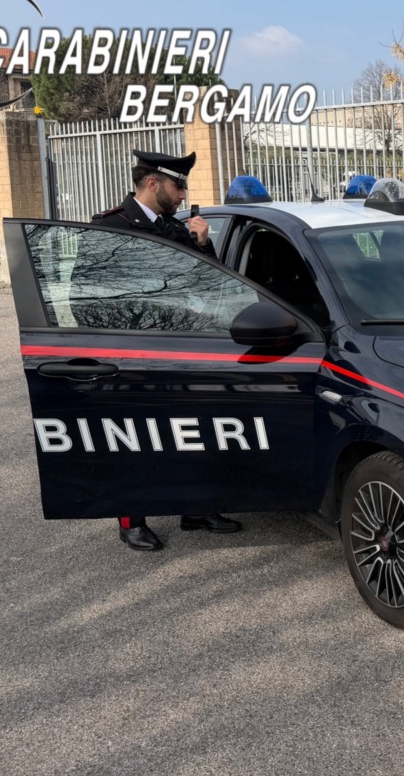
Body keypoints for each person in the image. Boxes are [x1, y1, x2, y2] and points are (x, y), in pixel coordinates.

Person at [91, 149, 243, 551]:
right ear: (153, 183)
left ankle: (195, 509)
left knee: (191, 433)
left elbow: (209, 284)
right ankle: (132, 520)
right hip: (133, 354)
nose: (183, 195)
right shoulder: (111, 226)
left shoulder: (175, 228)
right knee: (136, 440)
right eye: (178, 186)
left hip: (181, 349)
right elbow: (90, 296)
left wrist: (203, 244)